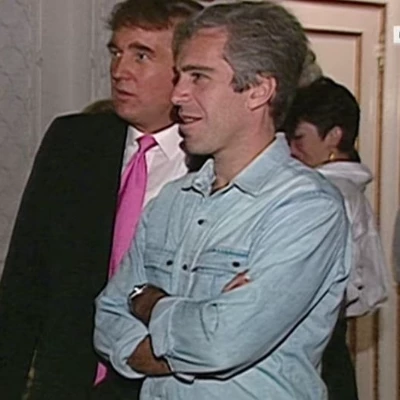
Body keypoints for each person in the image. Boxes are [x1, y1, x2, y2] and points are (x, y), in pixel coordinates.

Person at [94, 2, 353, 399]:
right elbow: (108, 318)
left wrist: (149, 304)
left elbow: (220, 344)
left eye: (198, 77)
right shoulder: (173, 200)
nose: (177, 94)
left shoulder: (308, 209)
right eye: (180, 76)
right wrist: (194, 329)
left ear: (259, 90)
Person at [0, 1, 203, 400]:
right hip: (66, 384)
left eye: (141, 55)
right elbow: (24, 284)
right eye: (116, 52)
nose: (119, 70)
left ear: (187, 72)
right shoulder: (73, 143)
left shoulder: (215, 164)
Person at [284, 76, 389, 400]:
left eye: (299, 138)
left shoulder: (324, 193)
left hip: (312, 353)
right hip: (331, 348)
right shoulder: (349, 191)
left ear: (334, 136)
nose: (292, 149)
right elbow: (371, 290)